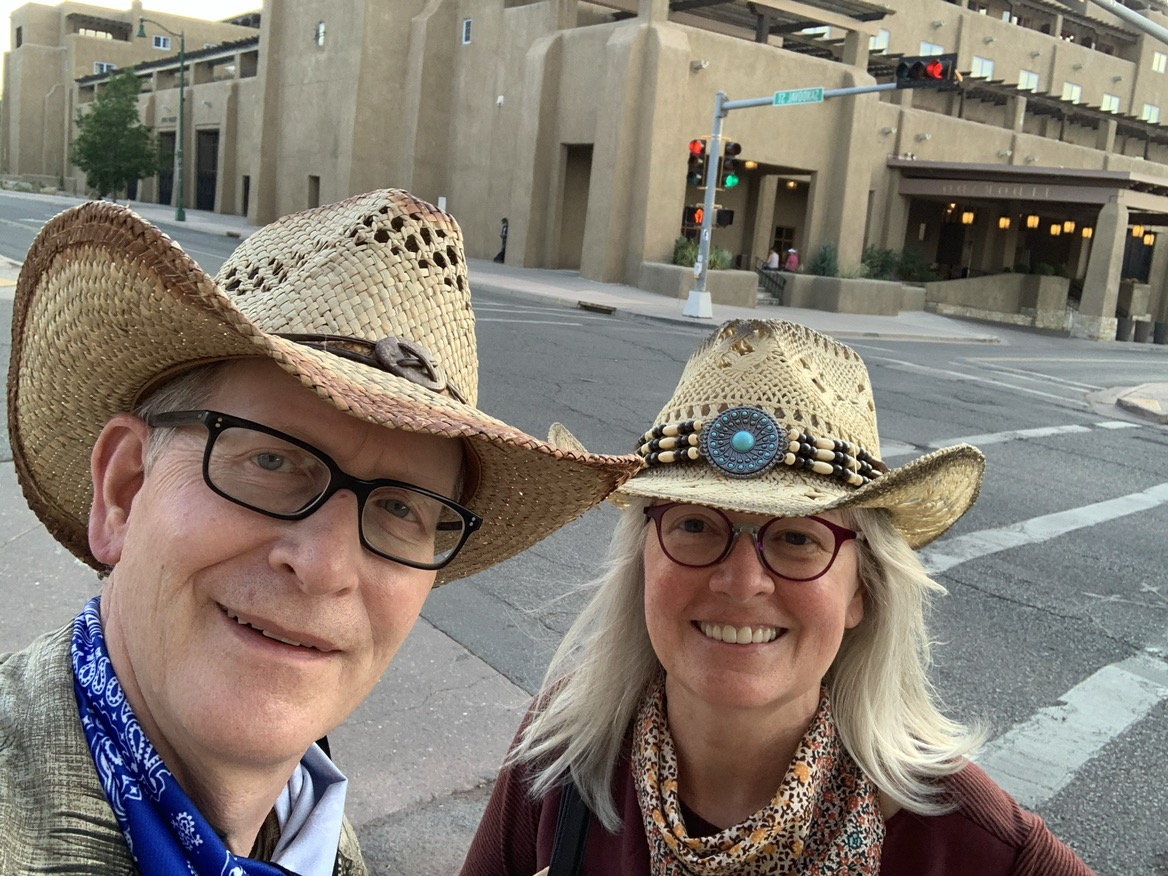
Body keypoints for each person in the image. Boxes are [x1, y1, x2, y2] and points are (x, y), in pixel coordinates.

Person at [0, 190, 641, 873]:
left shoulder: (314, 835)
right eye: (272, 462)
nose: (326, 566)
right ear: (125, 489)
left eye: (401, 508)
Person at [461, 319, 1096, 875]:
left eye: (797, 538)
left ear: (861, 590)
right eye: (695, 525)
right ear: (643, 560)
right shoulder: (563, 750)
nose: (742, 583)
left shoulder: (973, 843)